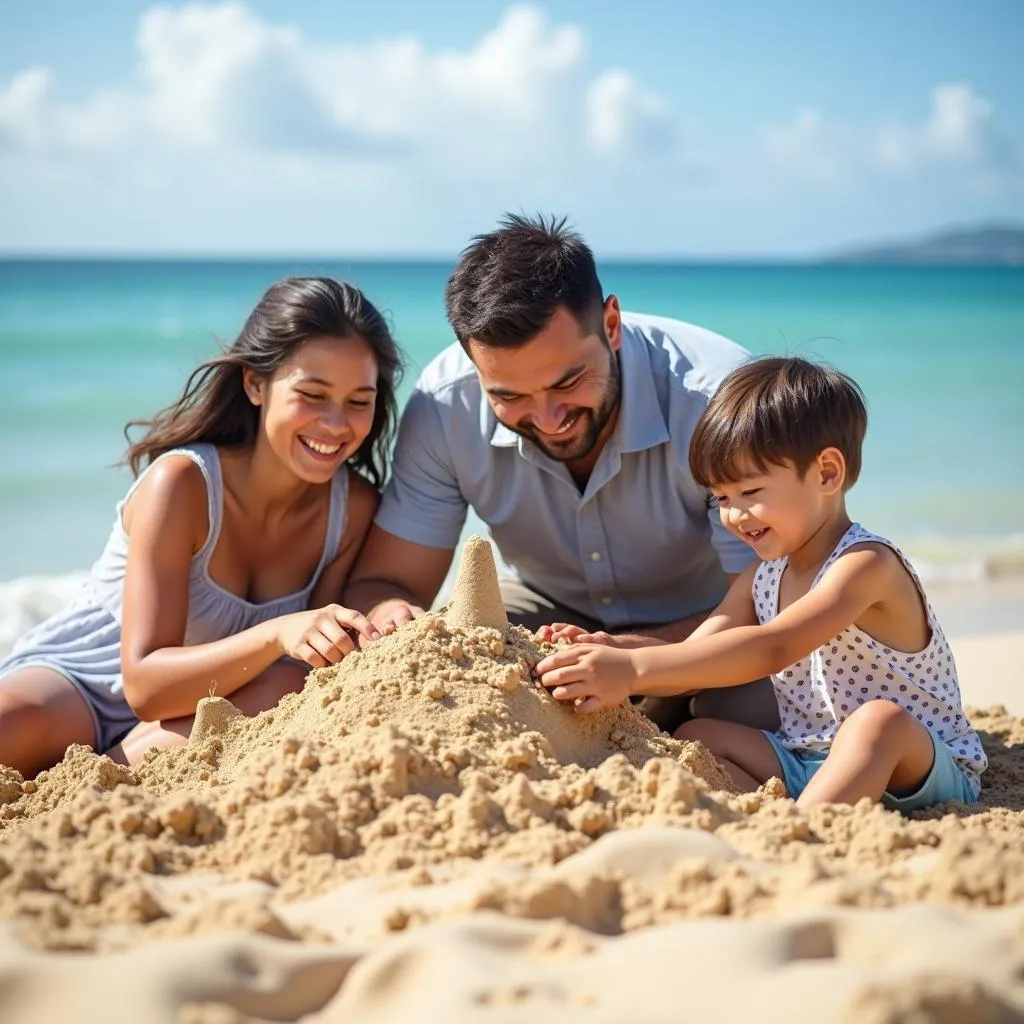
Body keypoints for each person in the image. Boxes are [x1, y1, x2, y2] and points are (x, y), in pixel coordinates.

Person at [344, 213, 778, 733]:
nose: (549, 420)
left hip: (716, 621)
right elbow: (385, 582)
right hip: (548, 613)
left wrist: (634, 659)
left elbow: (772, 603)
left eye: (568, 382)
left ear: (611, 325)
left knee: (749, 711)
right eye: (508, 396)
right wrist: (393, 613)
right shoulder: (445, 406)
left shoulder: (720, 401)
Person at [536, 356, 987, 811]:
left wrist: (634, 671)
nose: (733, 515)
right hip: (809, 759)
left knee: (878, 722)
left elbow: (775, 646)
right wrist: (613, 650)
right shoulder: (764, 576)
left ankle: (810, 830)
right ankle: (756, 818)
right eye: (721, 498)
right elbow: (697, 653)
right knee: (698, 735)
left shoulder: (866, 564)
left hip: (916, 765)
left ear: (827, 473)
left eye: (750, 493)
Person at [0, 277, 401, 776]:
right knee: (12, 723)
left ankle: (88, 790)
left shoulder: (353, 509)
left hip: (204, 707)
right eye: (313, 394)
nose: (337, 424)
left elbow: (308, 663)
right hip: (84, 681)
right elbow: (144, 685)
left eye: (359, 401)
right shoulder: (182, 483)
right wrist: (278, 633)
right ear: (255, 384)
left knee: (287, 683)